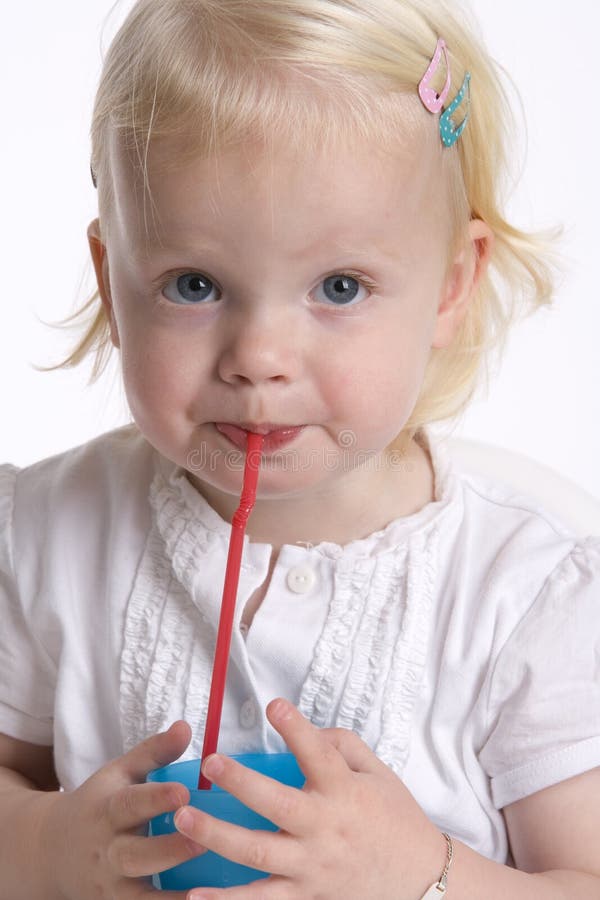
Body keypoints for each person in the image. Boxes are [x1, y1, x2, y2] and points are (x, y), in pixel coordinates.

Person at [1, 0, 599, 897]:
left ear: (449, 286)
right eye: (193, 284)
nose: (259, 360)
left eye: (340, 286)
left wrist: (420, 874)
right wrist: (41, 844)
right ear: (111, 284)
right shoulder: (47, 534)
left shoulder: (524, 598)